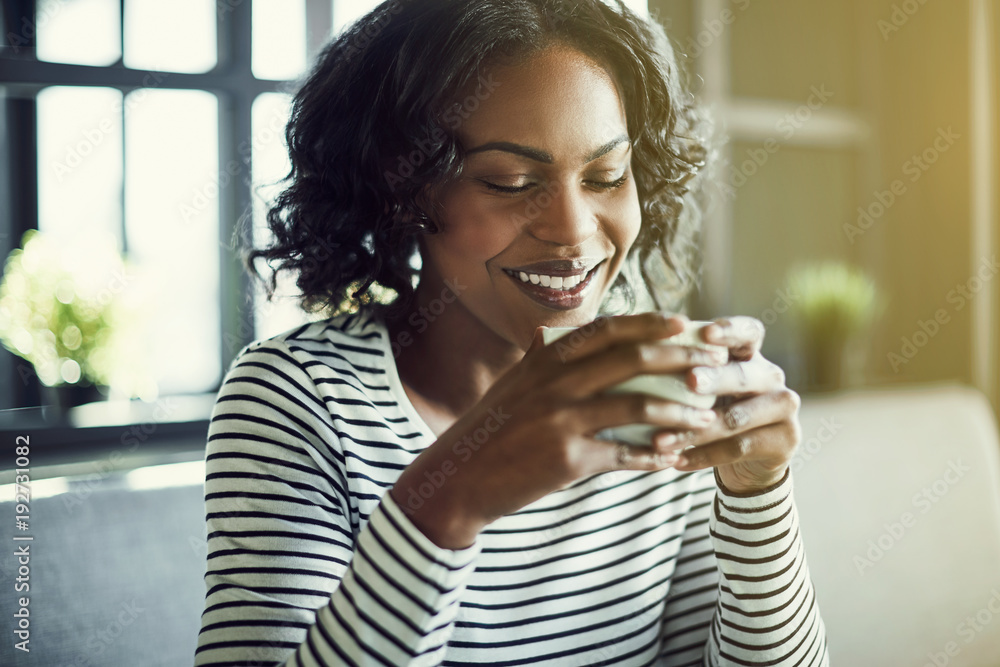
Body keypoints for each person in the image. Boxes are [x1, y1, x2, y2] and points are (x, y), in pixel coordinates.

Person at [194, 1, 830, 665]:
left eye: (606, 176)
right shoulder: (297, 401)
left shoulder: (661, 396)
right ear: (403, 186)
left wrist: (757, 495)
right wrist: (452, 496)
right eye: (511, 181)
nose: (575, 229)